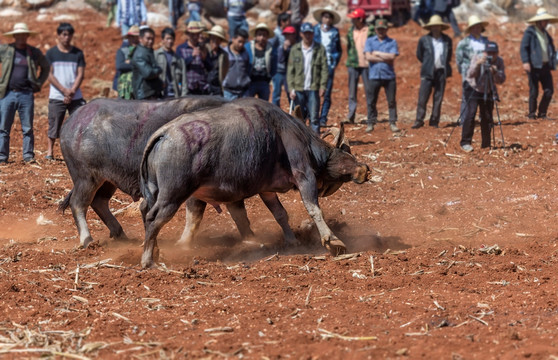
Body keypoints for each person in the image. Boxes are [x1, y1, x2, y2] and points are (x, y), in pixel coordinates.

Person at [0, 23, 49, 164]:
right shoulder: (6, 50)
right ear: (14, 36)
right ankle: (2, 157)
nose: (21, 37)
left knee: (27, 128)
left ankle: (28, 156)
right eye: (18, 35)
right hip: (7, 94)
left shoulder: (34, 53)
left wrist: (38, 83)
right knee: (3, 127)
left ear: (27, 36)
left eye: (23, 34)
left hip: (26, 94)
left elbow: (45, 67)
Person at [45, 23, 86, 161]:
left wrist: (72, 91)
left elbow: (80, 74)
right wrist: (64, 91)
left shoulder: (78, 53)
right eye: (64, 34)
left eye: (69, 34)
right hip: (57, 95)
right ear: (58, 36)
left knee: (81, 124)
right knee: (54, 123)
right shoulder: (51, 53)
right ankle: (50, 152)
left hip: (76, 96)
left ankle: (79, 153)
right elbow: (49, 75)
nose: (66, 37)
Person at [460, 41, 505, 152]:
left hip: (487, 90)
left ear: (497, 53)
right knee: (470, 114)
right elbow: (469, 74)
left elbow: (501, 80)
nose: (491, 55)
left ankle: (486, 144)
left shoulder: (499, 62)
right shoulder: (477, 58)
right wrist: (478, 64)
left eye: (493, 53)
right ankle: (465, 142)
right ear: (484, 52)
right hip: (473, 88)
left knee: (487, 117)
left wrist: (495, 71)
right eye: (488, 53)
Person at [287, 22, 328, 134]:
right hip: (298, 88)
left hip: (313, 88)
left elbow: (324, 69)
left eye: (310, 33)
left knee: (314, 118)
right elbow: (290, 71)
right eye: (305, 33)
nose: (308, 35)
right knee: (299, 119)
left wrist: (322, 86)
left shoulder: (319, 49)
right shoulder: (295, 49)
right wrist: (291, 88)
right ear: (301, 34)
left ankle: (316, 143)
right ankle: (301, 142)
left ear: (313, 34)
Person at [412, 15, 452, 129]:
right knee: (423, 97)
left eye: (437, 26)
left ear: (441, 27)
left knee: (438, 98)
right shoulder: (424, 40)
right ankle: (419, 120)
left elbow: (448, 56)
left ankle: (434, 121)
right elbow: (419, 55)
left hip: (441, 72)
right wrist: (427, 63)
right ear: (430, 27)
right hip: (427, 72)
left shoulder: (447, 40)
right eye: (433, 26)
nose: (435, 28)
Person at [520, 8, 558, 120]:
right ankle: (532, 114)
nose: (546, 23)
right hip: (534, 66)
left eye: (547, 20)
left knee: (549, 90)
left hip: (545, 66)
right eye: (544, 20)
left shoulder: (546, 34)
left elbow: (552, 49)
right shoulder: (530, 32)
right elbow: (524, 47)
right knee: (534, 91)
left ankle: (542, 113)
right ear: (538, 21)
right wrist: (526, 61)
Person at [364, 18, 400, 133]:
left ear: (387, 29)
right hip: (374, 75)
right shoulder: (370, 41)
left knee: (391, 101)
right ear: (375, 29)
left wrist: (377, 53)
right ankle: (371, 122)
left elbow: (392, 57)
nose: (381, 31)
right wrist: (385, 57)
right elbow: (368, 57)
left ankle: (393, 122)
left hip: (389, 76)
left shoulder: (392, 42)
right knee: (371, 100)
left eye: (383, 29)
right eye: (379, 29)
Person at [456, 15, 489, 124]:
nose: (476, 29)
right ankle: (465, 121)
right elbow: (459, 60)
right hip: (469, 73)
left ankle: (484, 119)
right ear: (470, 29)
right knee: (467, 96)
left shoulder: (486, 41)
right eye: (474, 27)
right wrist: (465, 72)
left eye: (478, 26)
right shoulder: (463, 43)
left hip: (483, 73)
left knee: (484, 95)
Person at [345, 8, 375, 124]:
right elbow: (349, 47)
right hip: (353, 64)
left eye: (354, 18)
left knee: (369, 91)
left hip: (367, 65)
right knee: (352, 92)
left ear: (361, 19)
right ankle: (351, 115)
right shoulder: (350, 30)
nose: (352, 20)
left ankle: (371, 117)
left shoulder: (370, 30)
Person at [313, 6, 342, 127]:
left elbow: (338, 50)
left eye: (329, 17)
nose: (327, 19)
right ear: (322, 18)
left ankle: (323, 118)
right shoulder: (315, 30)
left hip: (329, 65)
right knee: (313, 91)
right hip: (315, 66)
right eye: (325, 16)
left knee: (327, 92)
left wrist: (334, 62)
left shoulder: (334, 32)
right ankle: (313, 116)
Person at [177, 21, 211, 95]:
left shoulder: (203, 48)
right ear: (188, 34)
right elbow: (179, 67)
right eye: (192, 34)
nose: (195, 37)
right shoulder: (181, 48)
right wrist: (192, 57)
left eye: (197, 34)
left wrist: (204, 59)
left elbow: (210, 68)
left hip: (202, 88)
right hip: (188, 88)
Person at [246, 23, 277, 101]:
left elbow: (274, 66)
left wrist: (270, 78)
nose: (262, 37)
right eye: (259, 35)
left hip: (264, 82)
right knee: (248, 105)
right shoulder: (248, 47)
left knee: (264, 106)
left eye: (264, 35)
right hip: (250, 82)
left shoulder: (271, 49)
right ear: (255, 36)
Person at [130, 27, 163, 100]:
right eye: (148, 38)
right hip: (144, 94)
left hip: (151, 92)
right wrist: (159, 70)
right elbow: (148, 73)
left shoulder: (148, 51)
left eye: (152, 39)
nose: (150, 41)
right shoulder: (139, 54)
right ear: (140, 39)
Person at [155, 27, 187, 98]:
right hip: (160, 96)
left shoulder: (179, 59)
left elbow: (183, 81)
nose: (170, 41)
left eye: (171, 39)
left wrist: (183, 97)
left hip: (175, 96)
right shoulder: (156, 55)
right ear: (162, 40)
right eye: (167, 39)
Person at [222, 28, 251, 100]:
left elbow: (247, 69)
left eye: (243, 43)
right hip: (228, 92)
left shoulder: (245, 53)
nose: (241, 45)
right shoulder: (224, 53)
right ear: (233, 39)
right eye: (239, 41)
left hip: (243, 92)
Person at [272, 25, 297, 107]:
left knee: (291, 93)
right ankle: (275, 111)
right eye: (286, 35)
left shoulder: (297, 47)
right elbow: (280, 59)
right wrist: (284, 48)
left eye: (290, 35)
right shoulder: (281, 47)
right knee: (276, 94)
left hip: (290, 74)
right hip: (279, 72)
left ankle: (294, 111)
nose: (288, 37)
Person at [114, 25, 140, 99]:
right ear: (129, 38)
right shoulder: (122, 51)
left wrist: (129, 62)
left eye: (137, 37)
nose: (135, 40)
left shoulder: (143, 52)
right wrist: (137, 64)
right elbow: (120, 66)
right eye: (132, 37)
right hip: (124, 89)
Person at [206, 25, 229, 96]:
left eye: (218, 39)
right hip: (204, 87)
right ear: (210, 38)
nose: (215, 41)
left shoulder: (224, 54)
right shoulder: (204, 50)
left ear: (221, 41)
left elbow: (225, 71)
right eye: (213, 38)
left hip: (217, 88)